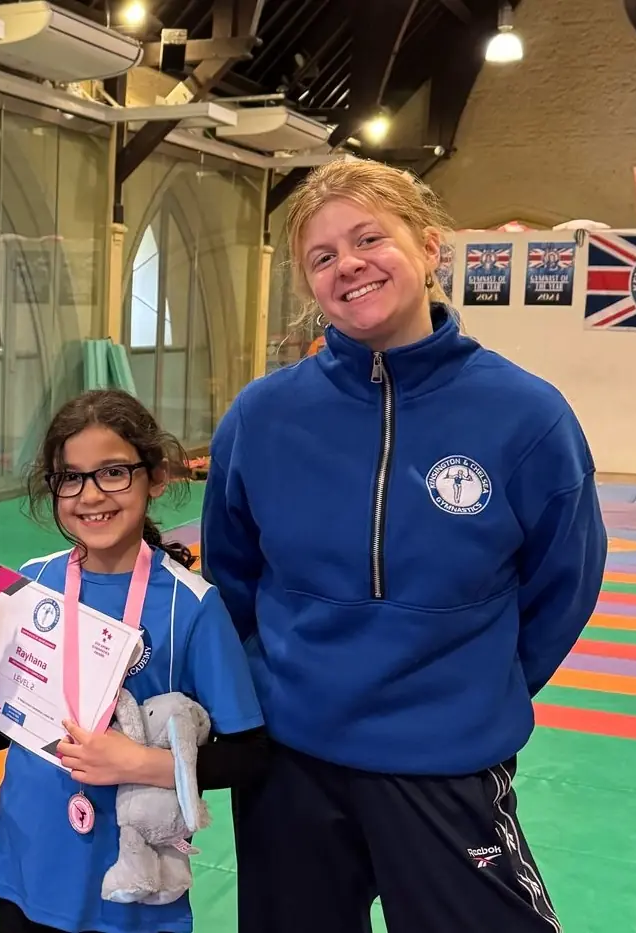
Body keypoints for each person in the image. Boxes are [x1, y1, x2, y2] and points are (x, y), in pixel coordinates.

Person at [200, 157, 607, 933]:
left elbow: (563, 582)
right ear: (310, 284)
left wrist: (474, 687)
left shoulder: (526, 416)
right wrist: (282, 678)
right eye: (323, 256)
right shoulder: (262, 417)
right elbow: (235, 572)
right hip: (291, 759)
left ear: (428, 247)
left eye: (368, 239)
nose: (348, 265)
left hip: (445, 760)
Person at [0, 388, 269, 933]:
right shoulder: (32, 584)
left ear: (155, 477)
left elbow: (249, 756)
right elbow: (10, 718)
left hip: (134, 891)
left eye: (113, 473)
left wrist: (140, 765)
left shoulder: (192, 607)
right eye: (71, 478)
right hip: (28, 871)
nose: (90, 494)